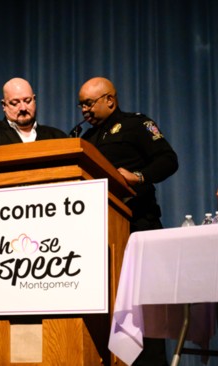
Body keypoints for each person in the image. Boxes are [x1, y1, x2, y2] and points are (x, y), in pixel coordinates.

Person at [77, 76, 179, 366]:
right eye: (81, 104)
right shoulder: (84, 141)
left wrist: (139, 177)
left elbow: (168, 160)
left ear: (110, 99)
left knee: (144, 314)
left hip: (138, 227)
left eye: (89, 102)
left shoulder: (137, 124)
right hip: (100, 235)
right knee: (107, 311)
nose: (84, 109)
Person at [0, 77, 67, 150]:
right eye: (15, 103)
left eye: (27, 101)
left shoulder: (57, 137)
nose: (23, 108)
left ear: (34, 100)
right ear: (4, 105)